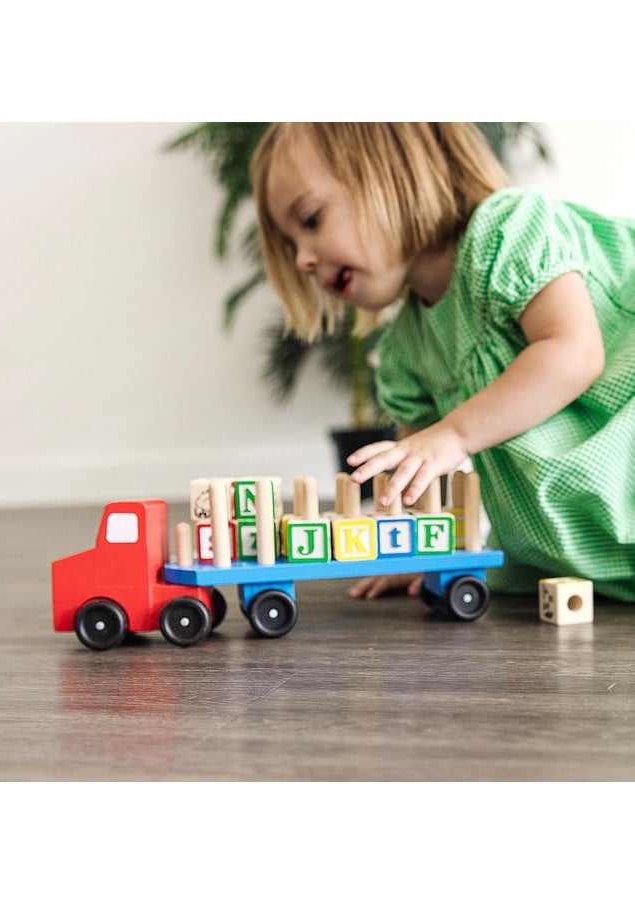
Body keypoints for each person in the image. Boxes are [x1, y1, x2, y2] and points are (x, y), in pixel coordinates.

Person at [250, 123, 635, 602]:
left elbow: (574, 353)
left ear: (394, 170)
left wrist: (453, 433)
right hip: (578, 555)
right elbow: (413, 485)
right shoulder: (405, 351)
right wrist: (407, 550)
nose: (304, 260)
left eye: (310, 220)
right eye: (292, 248)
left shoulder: (508, 230)